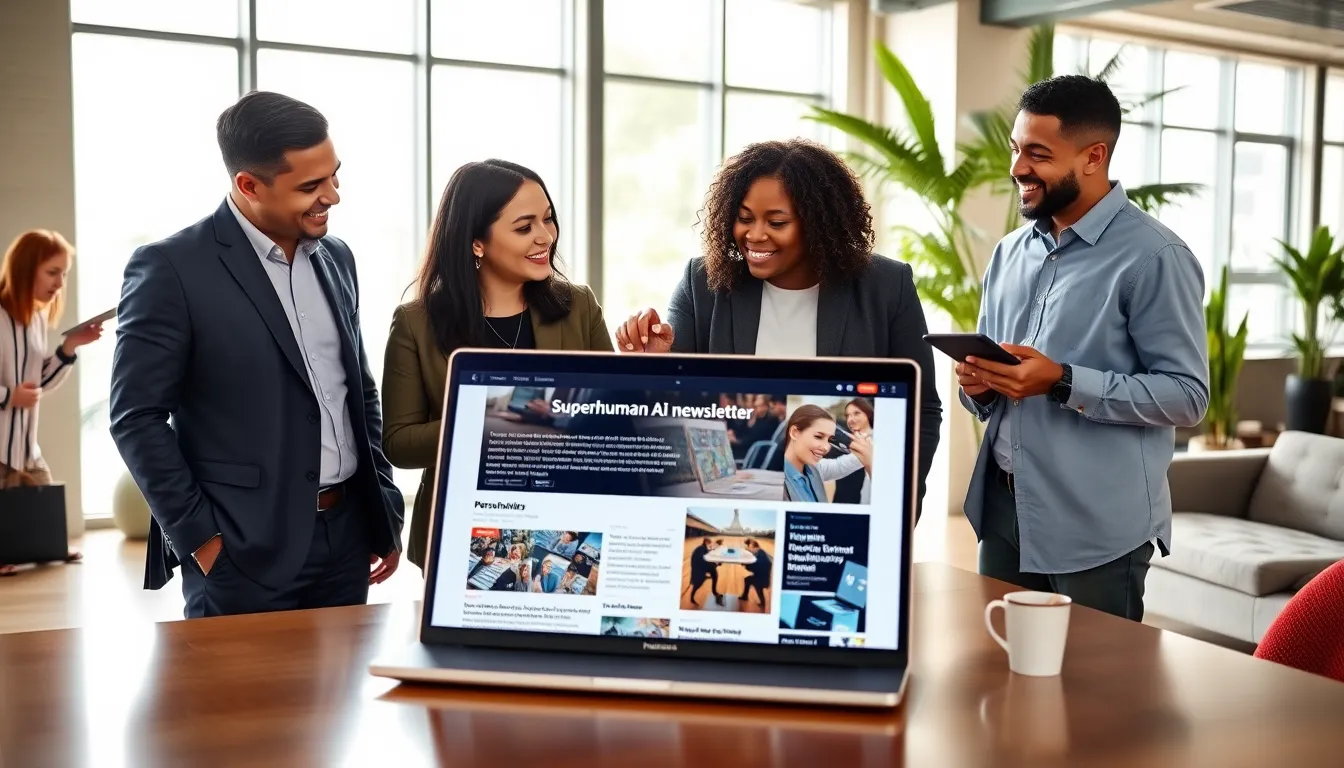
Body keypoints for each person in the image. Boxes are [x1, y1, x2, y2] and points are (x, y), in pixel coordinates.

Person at [109, 91, 405, 618]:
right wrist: (202, 540)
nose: (332, 196)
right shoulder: (171, 269)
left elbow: (356, 390)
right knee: (238, 702)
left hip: (347, 540)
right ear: (248, 185)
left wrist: (382, 504)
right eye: (310, 186)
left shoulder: (337, 257)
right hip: (241, 551)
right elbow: (136, 417)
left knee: (337, 702)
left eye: (335, 175)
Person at [957, 75, 1208, 622]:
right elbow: (997, 385)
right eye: (1016, 149)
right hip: (1005, 509)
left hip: (1097, 526)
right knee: (1001, 676)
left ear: (1094, 156)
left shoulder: (1156, 257)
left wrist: (1063, 380)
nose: (1018, 167)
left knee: (1097, 694)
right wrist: (980, 387)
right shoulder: (1009, 253)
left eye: (1038, 154)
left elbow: (1188, 397)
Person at [614, 139, 941, 518]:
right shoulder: (702, 284)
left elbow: (923, 410)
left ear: (820, 224)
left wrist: (898, 501)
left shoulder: (885, 286)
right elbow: (674, 406)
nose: (754, 235)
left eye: (777, 222)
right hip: (730, 505)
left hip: (842, 509)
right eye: (745, 217)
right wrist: (653, 366)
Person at [381, 160, 614, 572]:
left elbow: (609, 420)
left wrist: (642, 372)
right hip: (459, 530)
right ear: (476, 242)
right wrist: (487, 419)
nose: (546, 236)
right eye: (524, 227)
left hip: (563, 524)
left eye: (548, 219)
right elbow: (399, 444)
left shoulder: (578, 307)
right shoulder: (416, 322)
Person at [0, 230, 103, 574]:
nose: (60, 283)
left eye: (64, 273)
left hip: (25, 446)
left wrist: (70, 346)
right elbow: (20, 392)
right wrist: (8, 396)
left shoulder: (36, 317)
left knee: (44, 516)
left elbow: (40, 384)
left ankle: (43, 546)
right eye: (52, 272)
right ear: (27, 268)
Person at [780, 405, 870, 503]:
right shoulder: (778, 480)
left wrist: (857, 445)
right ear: (794, 433)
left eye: (830, 440)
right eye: (818, 437)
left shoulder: (814, 469)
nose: (826, 447)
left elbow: (843, 464)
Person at [833, 398, 874, 504]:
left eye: (856, 413)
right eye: (848, 415)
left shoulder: (876, 443)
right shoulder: (844, 440)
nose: (851, 419)